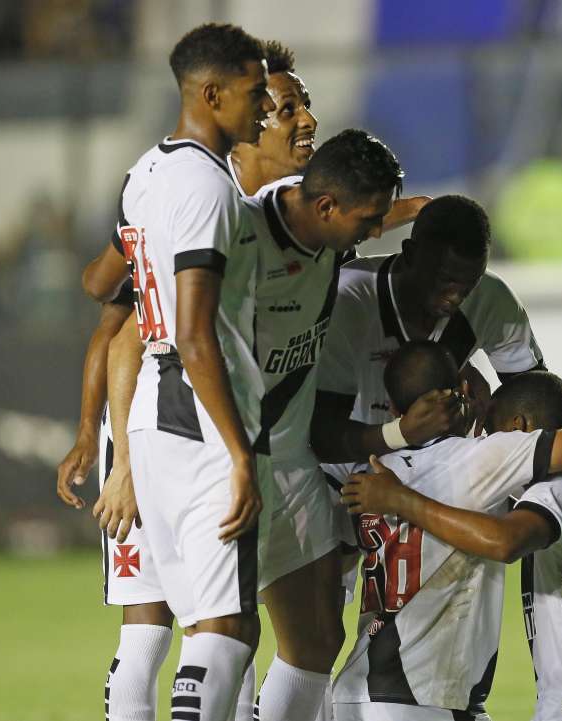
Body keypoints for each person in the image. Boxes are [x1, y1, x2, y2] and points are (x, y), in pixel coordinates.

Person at [102, 128, 406, 721]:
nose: (373, 233)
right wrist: (125, 461)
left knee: (317, 632)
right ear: (327, 208)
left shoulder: (317, 215)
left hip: (285, 456)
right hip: (215, 449)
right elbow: (137, 335)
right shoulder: (235, 237)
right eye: (369, 220)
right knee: (223, 631)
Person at [91, 22, 274, 721]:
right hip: (197, 414)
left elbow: (106, 282)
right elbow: (197, 334)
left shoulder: (148, 171)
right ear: (211, 92)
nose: (262, 106)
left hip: (149, 416)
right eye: (254, 93)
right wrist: (239, 453)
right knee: (223, 626)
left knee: (189, 620)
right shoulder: (204, 185)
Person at [339, 346, 562, 721]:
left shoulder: (370, 470)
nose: (488, 438)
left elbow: (505, 539)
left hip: (364, 686)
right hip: (430, 695)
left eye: (492, 431)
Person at [311, 194, 545, 466]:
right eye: (445, 280)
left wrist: (497, 418)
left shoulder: (491, 298)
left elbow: (538, 399)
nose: (456, 297)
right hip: (341, 477)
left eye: (470, 283)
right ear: (410, 253)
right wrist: (403, 433)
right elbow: (322, 438)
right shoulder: (348, 299)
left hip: (435, 473)